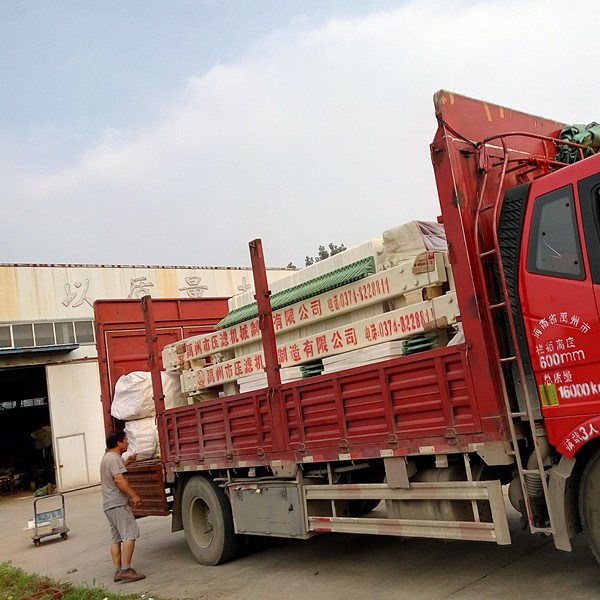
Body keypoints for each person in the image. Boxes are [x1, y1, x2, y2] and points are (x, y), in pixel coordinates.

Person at [100, 430, 145, 583]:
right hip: (118, 503)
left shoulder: (108, 458)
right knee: (130, 534)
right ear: (119, 443)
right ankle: (126, 569)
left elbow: (115, 470)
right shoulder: (114, 459)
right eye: (125, 440)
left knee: (116, 538)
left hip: (108, 504)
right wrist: (134, 495)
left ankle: (118, 571)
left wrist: (127, 462)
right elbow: (119, 479)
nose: (127, 443)